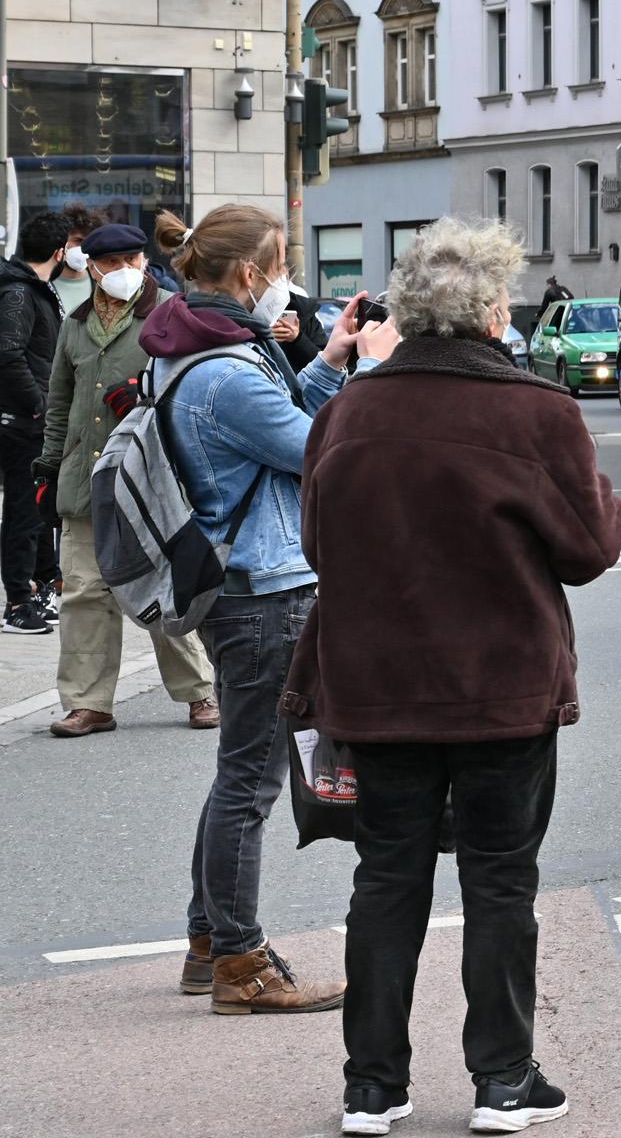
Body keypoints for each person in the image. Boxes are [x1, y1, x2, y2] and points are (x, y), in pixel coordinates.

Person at [284, 219, 621, 1136]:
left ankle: (372, 1085)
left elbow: (320, 543)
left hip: (378, 686)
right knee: (500, 880)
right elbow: (590, 549)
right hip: (502, 688)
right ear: (489, 310)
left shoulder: (348, 412)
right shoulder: (536, 412)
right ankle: (504, 1081)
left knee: (386, 877)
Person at [142, 205, 396, 1014]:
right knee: (249, 783)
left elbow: (282, 425)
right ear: (250, 274)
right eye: (279, 263)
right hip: (261, 591)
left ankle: (208, 938)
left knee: (235, 777)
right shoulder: (225, 370)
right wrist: (376, 371)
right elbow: (320, 448)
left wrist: (328, 359)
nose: (284, 279)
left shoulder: (198, 346)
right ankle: (240, 962)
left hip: (245, 585)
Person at [35, 222, 217, 738]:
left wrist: (142, 390)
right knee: (85, 592)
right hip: (84, 475)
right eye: (110, 263)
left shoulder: (171, 312)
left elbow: (198, 381)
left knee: (163, 582)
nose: (122, 271)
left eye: (131, 260)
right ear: (90, 267)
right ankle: (88, 703)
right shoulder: (76, 322)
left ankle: (200, 692)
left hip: (153, 472)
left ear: (143, 261)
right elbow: (59, 403)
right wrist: (47, 469)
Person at [0, 211, 69, 636]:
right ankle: (17, 603)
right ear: (60, 253)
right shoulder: (21, 294)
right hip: (21, 423)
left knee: (35, 512)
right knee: (24, 514)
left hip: (26, 420)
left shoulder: (31, 289)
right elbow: (8, 354)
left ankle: (36, 590)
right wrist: (41, 405)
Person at [52, 203, 104, 317]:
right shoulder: (42, 284)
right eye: (78, 240)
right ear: (61, 240)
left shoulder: (103, 285)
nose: (84, 247)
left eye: (89, 241)